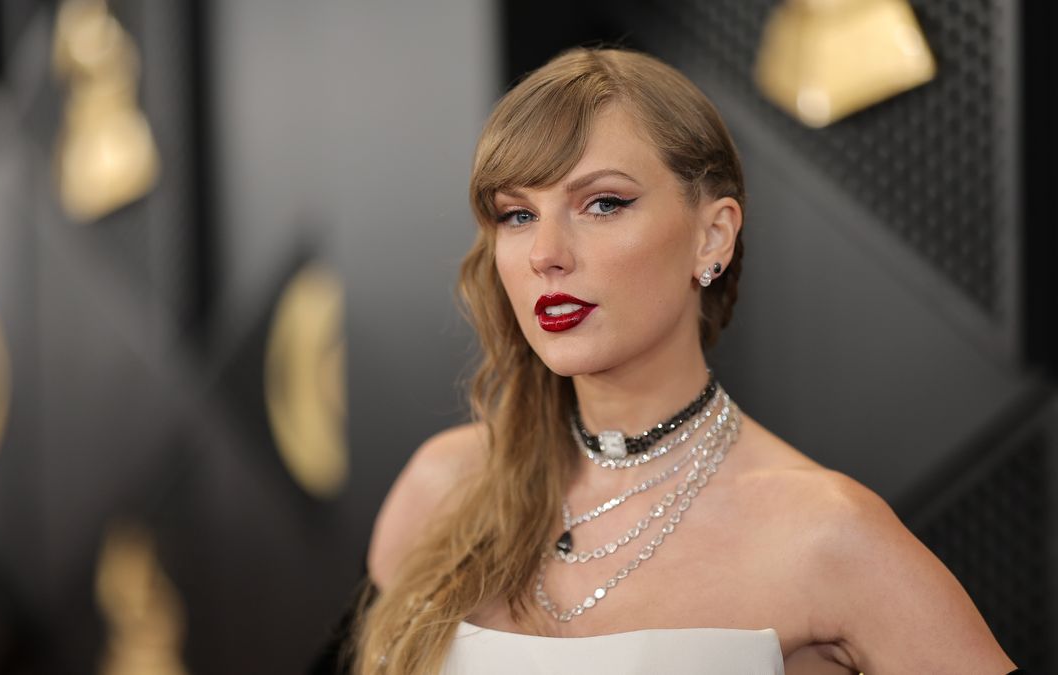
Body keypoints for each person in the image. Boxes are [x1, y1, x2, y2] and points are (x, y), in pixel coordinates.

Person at [354, 47, 1019, 674]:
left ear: (713, 235)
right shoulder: (443, 488)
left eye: (603, 203)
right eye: (518, 214)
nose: (545, 253)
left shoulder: (826, 535)